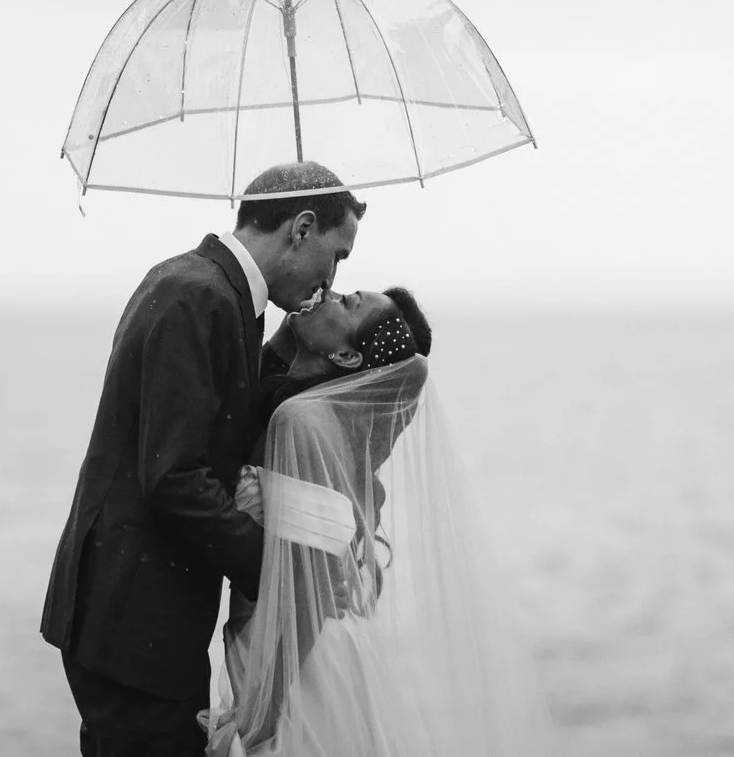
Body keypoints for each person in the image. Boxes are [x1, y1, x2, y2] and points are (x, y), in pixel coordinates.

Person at [42, 161, 366, 757]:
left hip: (148, 618)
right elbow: (174, 478)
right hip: (131, 622)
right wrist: (277, 573)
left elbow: (223, 429)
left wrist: (296, 358)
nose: (332, 277)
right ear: (301, 228)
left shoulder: (222, 296)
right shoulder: (196, 296)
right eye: (337, 254)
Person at [207, 288, 555, 757]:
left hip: (295, 663)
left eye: (348, 302)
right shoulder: (316, 418)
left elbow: (313, 589)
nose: (328, 293)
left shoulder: (302, 423)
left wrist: (258, 719)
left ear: (349, 355)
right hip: (283, 648)